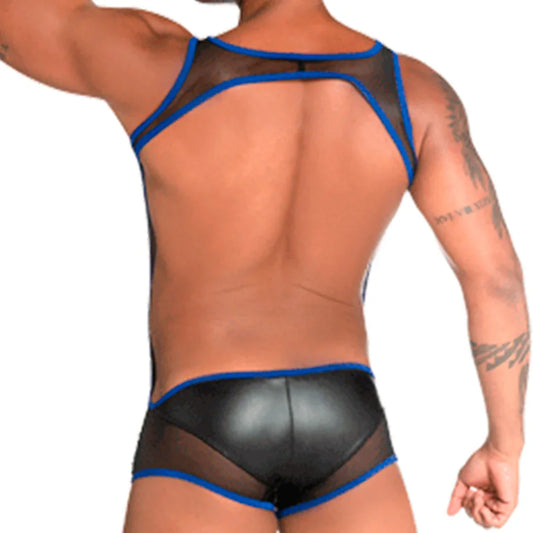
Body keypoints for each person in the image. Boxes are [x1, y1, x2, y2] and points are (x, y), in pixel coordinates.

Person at [1, 1, 529, 531]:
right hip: (346, 418)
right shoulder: (413, 93)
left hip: (201, 419)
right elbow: (496, 279)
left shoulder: (162, 69)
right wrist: (504, 447)